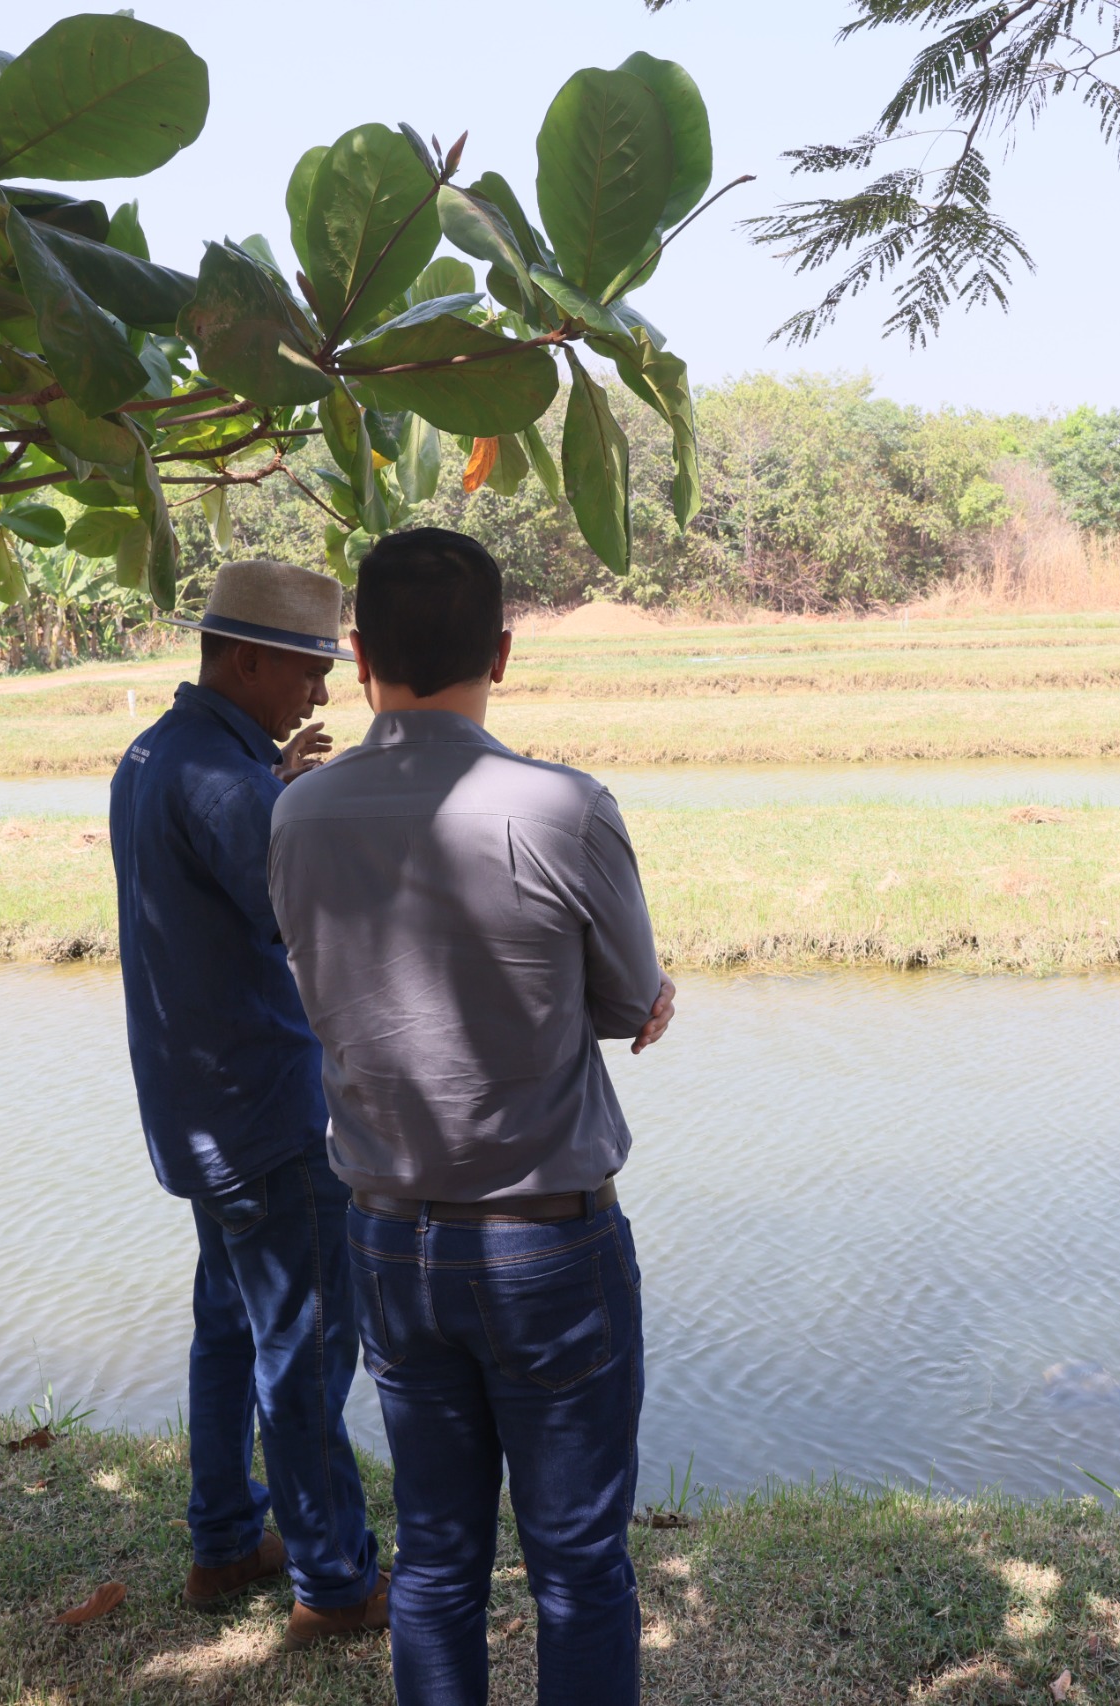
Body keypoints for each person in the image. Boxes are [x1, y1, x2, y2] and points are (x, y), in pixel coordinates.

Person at [269, 528, 677, 1706]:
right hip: (549, 1237)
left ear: (355, 657)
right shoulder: (563, 806)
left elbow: (322, 975)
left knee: (439, 1557)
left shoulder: (296, 816)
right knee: (579, 1562)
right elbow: (622, 996)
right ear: (503, 648)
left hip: (391, 1234)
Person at [108, 558, 387, 1642]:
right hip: (267, 1106)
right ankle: (333, 1580)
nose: (318, 693)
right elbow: (301, 920)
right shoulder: (227, 782)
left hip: (197, 1105)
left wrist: (275, 784)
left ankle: (224, 1541)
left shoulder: (165, 751)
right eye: (309, 669)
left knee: (229, 1328)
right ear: (247, 657)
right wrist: (312, 806)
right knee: (306, 1347)